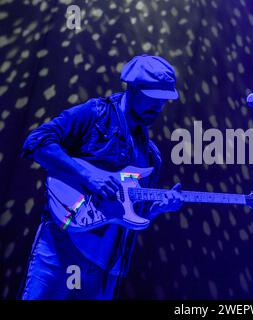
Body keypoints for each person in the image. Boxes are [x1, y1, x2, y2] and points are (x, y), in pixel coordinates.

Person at [19, 55, 183, 300]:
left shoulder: (151, 157)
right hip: (60, 249)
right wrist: (87, 176)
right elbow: (37, 142)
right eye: (153, 99)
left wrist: (157, 209)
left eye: (164, 101)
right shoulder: (95, 114)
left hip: (106, 267)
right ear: (133, 89)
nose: (158, 107)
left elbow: (131, 215)